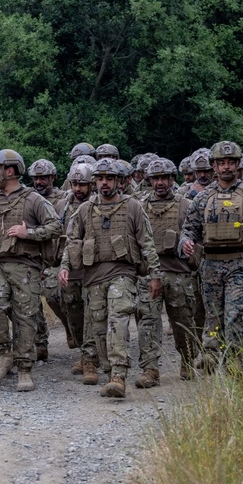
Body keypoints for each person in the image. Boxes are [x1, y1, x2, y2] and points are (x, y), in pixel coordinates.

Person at [59, 158, 163, 397]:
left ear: (118, 181)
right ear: (94, 181)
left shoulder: (133, 206)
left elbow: (146, 243)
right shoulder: (84, 210)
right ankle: (108, 372)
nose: (104, 183)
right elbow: (72, 241)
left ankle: (119, 374)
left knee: (118, 322)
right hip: (93, 278)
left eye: (109, 178)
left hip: (122, 275)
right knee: (98, 328)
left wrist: (155, 275)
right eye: (100, 178)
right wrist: (65, 267)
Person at [180, 141, 243, 371]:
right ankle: (211, 354)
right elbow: (188, 228)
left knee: (236, 315)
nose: (226, 167)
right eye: (221, 163)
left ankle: (235, 363)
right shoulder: (203, 198)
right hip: (211, 266)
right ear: (214, 166)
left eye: (231, 162)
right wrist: (185, 242)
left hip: (241, 266)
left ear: (238, 164)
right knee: (213, 316)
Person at [0, 150, 63, 391]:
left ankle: (25, 369)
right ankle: (4, 354)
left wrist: (29, 234)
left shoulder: (33, 199)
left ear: (10, 171)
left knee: (25, 319)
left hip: (26, 267)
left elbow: (56, 226)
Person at [137, 158, 201, 382]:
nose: (160, 183)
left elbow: (196, 234)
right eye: (156, 179)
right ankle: (150, 369)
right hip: (149, 273)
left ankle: (187, 360)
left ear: (173, 179)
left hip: (178, 273)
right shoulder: (141, 205)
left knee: (182, 321)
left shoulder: (186, 205)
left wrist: (189, 248)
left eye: (165, 178)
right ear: (150, 180)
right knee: (147, 321)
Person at [56, 163, 94, 378]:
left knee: (94, 315)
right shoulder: (62, 205)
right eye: (74, 184)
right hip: (69, 268)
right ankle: (83, 351)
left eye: (82, 184)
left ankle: (90, 358)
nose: (78, 188)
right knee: (74, 315)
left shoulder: (97, 205)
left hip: (93, 270)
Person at [29, 158, 67, 361]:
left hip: (60, 259)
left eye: (43, 178)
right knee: (32, 302)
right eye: (36, 178)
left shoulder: (65, 199)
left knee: (56, 296)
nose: (39, 182)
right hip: (37, 258)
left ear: (53, 177)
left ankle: (70, 327)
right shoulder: (30, 199)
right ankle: (40, 343)